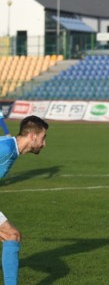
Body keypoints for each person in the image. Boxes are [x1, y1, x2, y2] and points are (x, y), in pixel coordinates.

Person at [0, 115, 49, 285]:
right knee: (11, 235)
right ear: (32, 136)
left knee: (12, 236)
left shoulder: (9, 147)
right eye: (43, 138)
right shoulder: (6, 149)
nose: (44, 144)